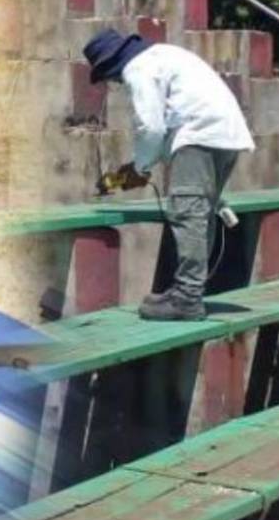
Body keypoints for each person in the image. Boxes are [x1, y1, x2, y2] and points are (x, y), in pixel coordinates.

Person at [83, 29, 255, 321]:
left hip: (199, 135)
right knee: (201, 213)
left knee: (187, 213)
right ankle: (187, 291)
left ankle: (187, 297)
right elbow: (167, 129)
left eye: (110, 77)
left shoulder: (138, 69)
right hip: (226, 135)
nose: (114, 83)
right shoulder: (164, 56)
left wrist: (139, 168)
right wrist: (141, 165)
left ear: (112, 66)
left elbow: (151, 128)